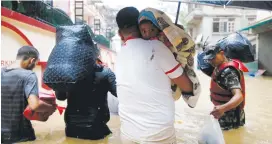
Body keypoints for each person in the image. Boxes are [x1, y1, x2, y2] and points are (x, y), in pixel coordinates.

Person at [115, 7, 194, 144]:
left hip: (128, 134)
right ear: (141, 28)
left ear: (120, 35)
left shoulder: (119, 56)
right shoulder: (157, 48)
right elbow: (187, 87)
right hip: (158, 135)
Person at [138, 8, 201, 107]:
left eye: (152, 29)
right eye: (143, 31)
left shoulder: (168, 37)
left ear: (159, 27)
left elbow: (187, 47)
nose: (148, 33)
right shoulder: (143, 45)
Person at [1, 46, 56, 143]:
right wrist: (50, 107)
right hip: (21, 135)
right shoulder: (28, 75)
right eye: (35, 63)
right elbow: (35, 105)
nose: (34, 66)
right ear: (32, 60)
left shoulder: (1, 72)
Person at [55, 58, 117, 140]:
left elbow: (60, 97)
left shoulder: (68, 74)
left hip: (71, 128)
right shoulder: (105, 73)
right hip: (97, 128)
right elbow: (119, 94)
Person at [203, 45, 246, 130]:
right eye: (208, 59)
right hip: (224, 112)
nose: (210, 61)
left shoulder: (229, 72)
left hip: (231, 117)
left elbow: (239, 96)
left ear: (222, 53)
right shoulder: (220, 65)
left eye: (213, 58)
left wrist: (223, 108)